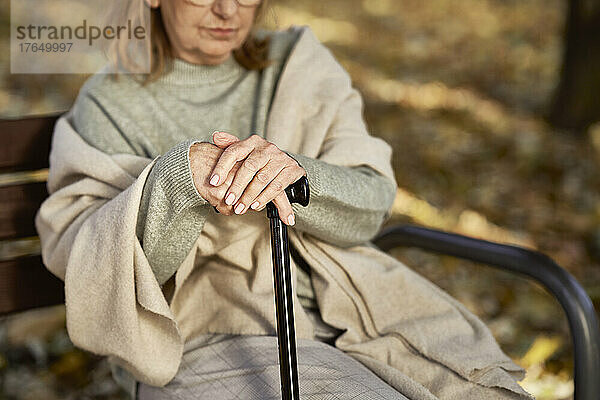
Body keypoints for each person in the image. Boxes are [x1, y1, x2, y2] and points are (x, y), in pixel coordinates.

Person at [35, 0, 535, 399]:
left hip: (363, 312)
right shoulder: (110, 103)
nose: (229, 11)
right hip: (215, 334)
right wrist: (178, 183)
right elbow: (107, 275)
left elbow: (371, 205)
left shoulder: (297, 63)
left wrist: (297, 177)